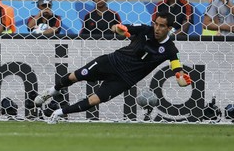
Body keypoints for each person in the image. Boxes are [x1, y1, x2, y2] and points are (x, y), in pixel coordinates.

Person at [36, 12, 192, 124]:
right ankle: (52, 91)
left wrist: (182, 80)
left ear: (169, 28)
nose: (157, 28)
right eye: (156, 24)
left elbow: (178, 71)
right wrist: (118, 29)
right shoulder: (145, 29)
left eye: (162, 26)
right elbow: (116, 28)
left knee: (94, 100)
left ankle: (58, 113)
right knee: (75, 76)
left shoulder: (171, 50)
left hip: (124, 79)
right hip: (111, 61)